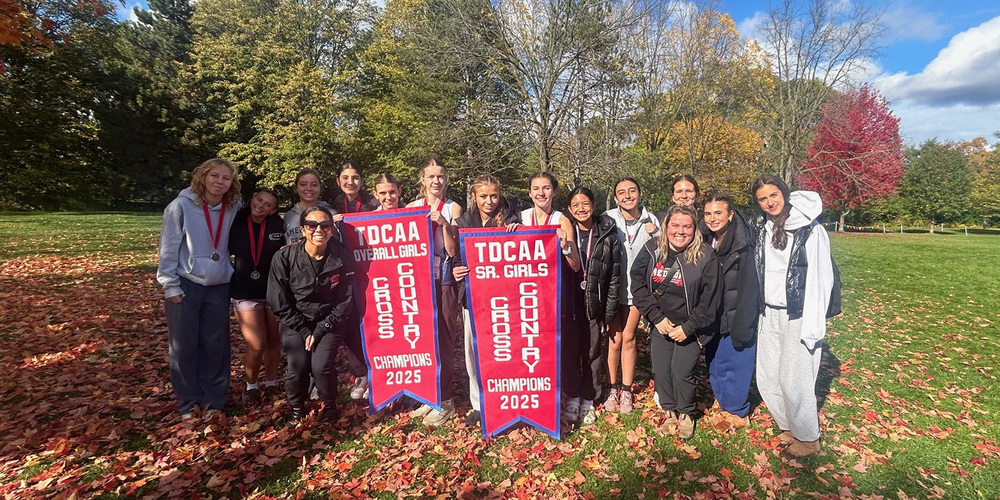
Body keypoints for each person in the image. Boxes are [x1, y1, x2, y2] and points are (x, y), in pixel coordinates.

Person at [750, 174, 835, 459]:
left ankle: (808, 438)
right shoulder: (764, 228)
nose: (769, 202)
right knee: (768, 375)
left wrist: (814, 320)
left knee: (795, 377)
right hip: (768, 312)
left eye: (773, 195)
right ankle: (789, 425)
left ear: (785, 193)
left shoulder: (810, 230)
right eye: (762, 199)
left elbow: (822, 278)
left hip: (798, 312)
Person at [157, 158, 242, 421]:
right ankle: (188, 401)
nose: (219, 182)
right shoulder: (180, 206)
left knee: (215, 345)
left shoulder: (233, 207)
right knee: (183, 345)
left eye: (226, 178)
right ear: (203, 177)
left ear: (232, 183)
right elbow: (169, 246)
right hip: (186, 284)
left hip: (219, 285)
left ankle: (215, 399)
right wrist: (169, 284)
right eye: (214, 176)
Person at [631, 204, 721, 440]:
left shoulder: (705, 256)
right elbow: (638, 284)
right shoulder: (651, 249)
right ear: (666, 226)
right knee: (661, 370)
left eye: (687, 226)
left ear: (695, 229)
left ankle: (686, 413)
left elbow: (711, 300)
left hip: (690, 328)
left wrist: (689, 328)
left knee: (682, 372)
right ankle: (670, 411)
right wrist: (656, 318)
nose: (680, 231)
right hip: (661, 323)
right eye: (675, 225)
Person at [267, 206, 356, 424]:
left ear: (331, 229)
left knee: (321, 366)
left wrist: (322, 328)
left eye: (325, 225)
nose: (319, 230)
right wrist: (305, 329)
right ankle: (296, 408)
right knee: (297, 367)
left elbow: (345, 299)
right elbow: (278, 300)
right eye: (312, 225)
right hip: (295, 321)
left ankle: (329, 405)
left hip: (329, 320)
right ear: (303, 229)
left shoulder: (342, 255)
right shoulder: (285, 256)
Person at [448, 174, 520, 427]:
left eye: (493, 195)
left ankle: (507, 399)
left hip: (504, 299)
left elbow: (523, 255)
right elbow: (457, 257)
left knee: (504, 350)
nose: (489, 201)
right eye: (483, 196)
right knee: (473, 353)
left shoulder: (512, 219)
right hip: (473, 298)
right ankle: (479, 404)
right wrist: (456, 271)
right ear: (474, 197)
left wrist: (518, 234)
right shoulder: (464, 221)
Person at [519, 172, 583, 423]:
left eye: (546, 188)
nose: (541, 193)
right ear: (529, 192)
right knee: (531, 346)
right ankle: (537, 395)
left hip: (556, 294)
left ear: (554, 192)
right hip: (526, 295)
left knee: (564, 346)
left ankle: (572, 396)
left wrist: (565, 245)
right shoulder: (520, 217)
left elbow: (576, 265)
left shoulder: (562, 219)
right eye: (536, 188)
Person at [406, 159, 464, 426]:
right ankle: (428, 396)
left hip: (443, 281)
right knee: (422, 341)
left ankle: (446, 401)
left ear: (446, 179)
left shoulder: (453, 208)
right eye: (431, 177)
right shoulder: (410, 208)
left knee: (444, 339)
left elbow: (454, 251)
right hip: (416, 282)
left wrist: (443, 224)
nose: (436, 181)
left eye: (440, 176)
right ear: (423, 179)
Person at [701, 193, 758, 429]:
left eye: (718, 213)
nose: (712, 218)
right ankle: (724, 402)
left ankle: (737, 411)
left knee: (734, 363)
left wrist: (744, 320)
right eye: (708, 214)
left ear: (730, 214)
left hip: (736, 312)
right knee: (715, 360)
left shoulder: (744, 242)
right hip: (714, 311)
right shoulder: (706, 238)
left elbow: (749, 284)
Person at [566, 186, 622, 424]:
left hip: (593, 303)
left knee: (591, 353)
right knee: (570, 352)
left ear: (594, 206)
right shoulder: (564, 231)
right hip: (569, 303)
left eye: (585, 203)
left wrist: (608, 313)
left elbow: (615, 276)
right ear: (569, 209)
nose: (581, 208)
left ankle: (589, 398)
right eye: (576, 205)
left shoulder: (608, 234)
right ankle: (572, 396)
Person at [603, 177, 659, 414]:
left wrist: (656, 234)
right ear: (616, 198)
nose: (627, 196)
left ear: (640, 193)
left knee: (628, 337)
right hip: (612, 288)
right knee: (613, 338)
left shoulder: (651, 219)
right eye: (621, 192)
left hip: (638, 290)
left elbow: (663, 253)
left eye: (632, 191)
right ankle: (611, 388)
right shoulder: (608, 219)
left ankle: (626, 389)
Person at [229, 189, 286, 406]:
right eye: (259, 200)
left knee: (274, 342)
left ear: (273, 210)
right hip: (245, 292)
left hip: (274, 292)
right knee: (257, 345)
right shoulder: (236, 223)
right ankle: (251, 387)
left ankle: (271, 383)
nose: (261, 205)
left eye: (268, 204)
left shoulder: (277, 226)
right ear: (252, 199)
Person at [330, 161, 376, 400]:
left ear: (361, 181)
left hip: (373, 271)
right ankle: (360, 374)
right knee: (351, 325)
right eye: (345, 178)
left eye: (355, 178)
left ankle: (379, 371)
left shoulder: (373, 204)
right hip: (345, 274)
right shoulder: (331, 206)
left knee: (376, 320)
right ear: (339, 181)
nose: (351, 182)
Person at [284, 169, 331, 244]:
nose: (309, 188)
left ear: (320, 188)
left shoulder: (331, 214)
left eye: (314, 185)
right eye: (303, 184)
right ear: (296, 188)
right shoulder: (289, 216)